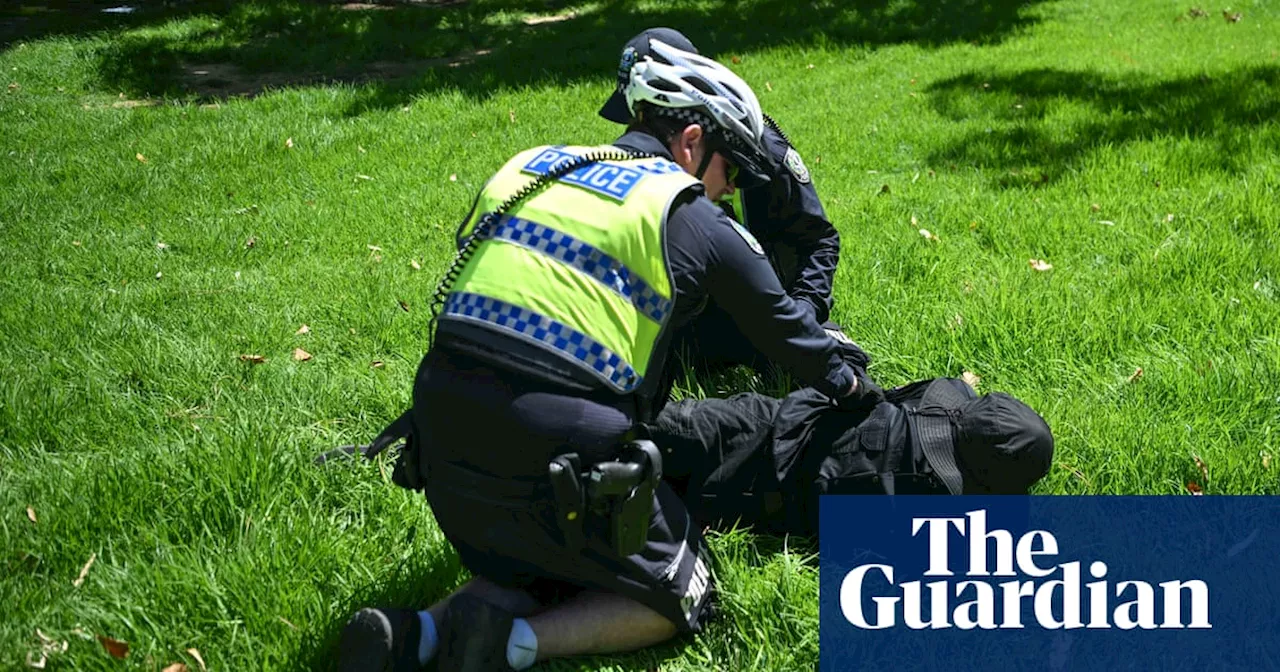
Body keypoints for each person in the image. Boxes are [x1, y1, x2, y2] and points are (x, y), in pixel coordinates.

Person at [336, 40, 880, 672]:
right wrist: (850, 387)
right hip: (558, 452)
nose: (727, 190)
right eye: (727, 170)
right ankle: (514, 648)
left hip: (441, 450)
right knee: (685, 590)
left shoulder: (528, 166)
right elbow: (789, 332)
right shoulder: (687, 212)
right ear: (692, 140)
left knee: (545, 560)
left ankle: (415, 633)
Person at [599, 28, 868, 380]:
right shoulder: (636, 161)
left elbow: (818, 240)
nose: (641, 129)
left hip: (768, 309)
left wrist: (802, 316)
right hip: (689, 317)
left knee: (836, 365)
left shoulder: (757, 154)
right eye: (637, 116)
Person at [644, 377, 1055, 537]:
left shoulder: (942, 395)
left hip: (763, 448)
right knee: (643, 434)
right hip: (762, 458)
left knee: (640, 441)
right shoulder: (939, 515)